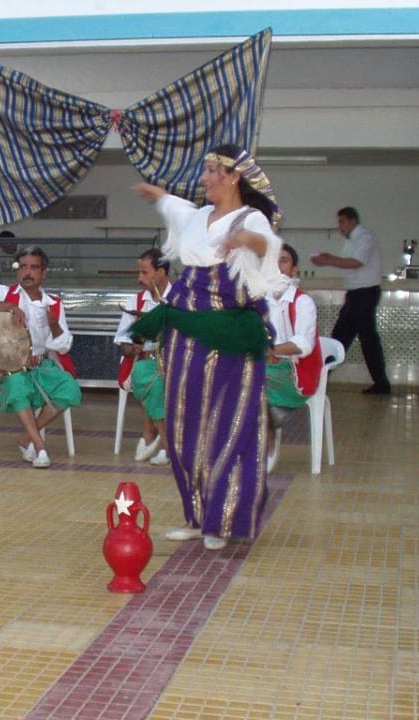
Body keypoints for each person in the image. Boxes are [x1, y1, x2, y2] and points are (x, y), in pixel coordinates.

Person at [133, 144, 283, 551]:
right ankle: (197, 516)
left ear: (234, 176)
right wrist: (159, 196)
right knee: (184, 423)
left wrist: (247, 238)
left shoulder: (251, 218)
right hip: (186, 328)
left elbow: (269, 247)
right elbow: (177, 209)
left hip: (229, 334)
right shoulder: (198, 216)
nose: (205, 178)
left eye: (212, 171)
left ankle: (223, 518)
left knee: (226, 424)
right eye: (206, 171)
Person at [0, 245, 82, 468]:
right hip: (9, 367)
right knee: (16, 383)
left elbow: (64, 346)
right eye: (23, 267)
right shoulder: (3, 292)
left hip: (41, 365)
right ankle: (40, 446)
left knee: (70, 389)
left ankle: (26, 439)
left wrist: (54, 326)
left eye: (34, 268)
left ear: (43, 273)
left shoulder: (54, 304)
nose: (27, 272)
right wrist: (4, 306)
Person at [311, 207, 391, 395]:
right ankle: (320, 378)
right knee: (342, 336)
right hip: (356, 294)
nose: (340, 226)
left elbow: (356, 262)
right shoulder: (351, 241)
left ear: (352, 220)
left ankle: (381, 383)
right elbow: (350, 266)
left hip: (365, 293)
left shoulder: (365, 237)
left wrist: (329, 260)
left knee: (364, 339)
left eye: (342, 222)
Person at [264, 243, 323, 472]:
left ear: (294, 270)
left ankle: (267, 445)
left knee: (253, 383)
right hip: (268, 367)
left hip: (295, 371)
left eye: (284, 260)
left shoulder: (302, 301)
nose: (278, 266)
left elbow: (304, 345)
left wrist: (270, 351)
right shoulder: (261, 300)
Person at [113, 248, 171, 466]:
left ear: (162, 272)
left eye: (145, 273)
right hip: (143, 362)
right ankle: (167, 444)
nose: (140, 278)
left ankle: (149, 431)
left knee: (163, 378)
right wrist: (133, 347)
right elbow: (123, 341)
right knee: (153, 378)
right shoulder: (134, 302)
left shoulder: (181, 299)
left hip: (177, 362)